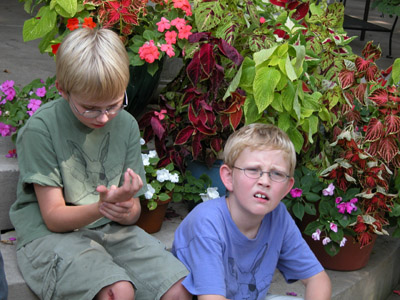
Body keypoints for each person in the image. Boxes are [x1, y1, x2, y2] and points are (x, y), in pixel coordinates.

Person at [9, 28, 190, 300]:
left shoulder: (126, 124)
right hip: (50, 235)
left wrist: (126, 208)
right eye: (91, 108)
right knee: (117, 292)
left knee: (179, 289)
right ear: (63, 90)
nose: (104, 118)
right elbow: (54, 218)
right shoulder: (41, 130)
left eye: (114, 104)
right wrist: (103, 207)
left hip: (110, 228)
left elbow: (132, 215)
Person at [172, 123, 332, 300]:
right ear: (228, 177)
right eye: (253, 170)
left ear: (287, 187)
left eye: (277, 174)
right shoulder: (207, 222)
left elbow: (318, 279)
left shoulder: (278, 215)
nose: (265, 181)